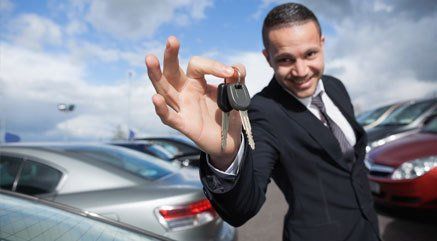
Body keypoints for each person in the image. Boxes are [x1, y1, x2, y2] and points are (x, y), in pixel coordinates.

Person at [146, 2, 380, 241]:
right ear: (268, 58)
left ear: (322, 43)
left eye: (310, 54)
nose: (301, 71)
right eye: (286, 60)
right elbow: (243, 207)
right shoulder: (263, 111)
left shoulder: (335, 86)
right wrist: (225, 156)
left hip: (369, 229)